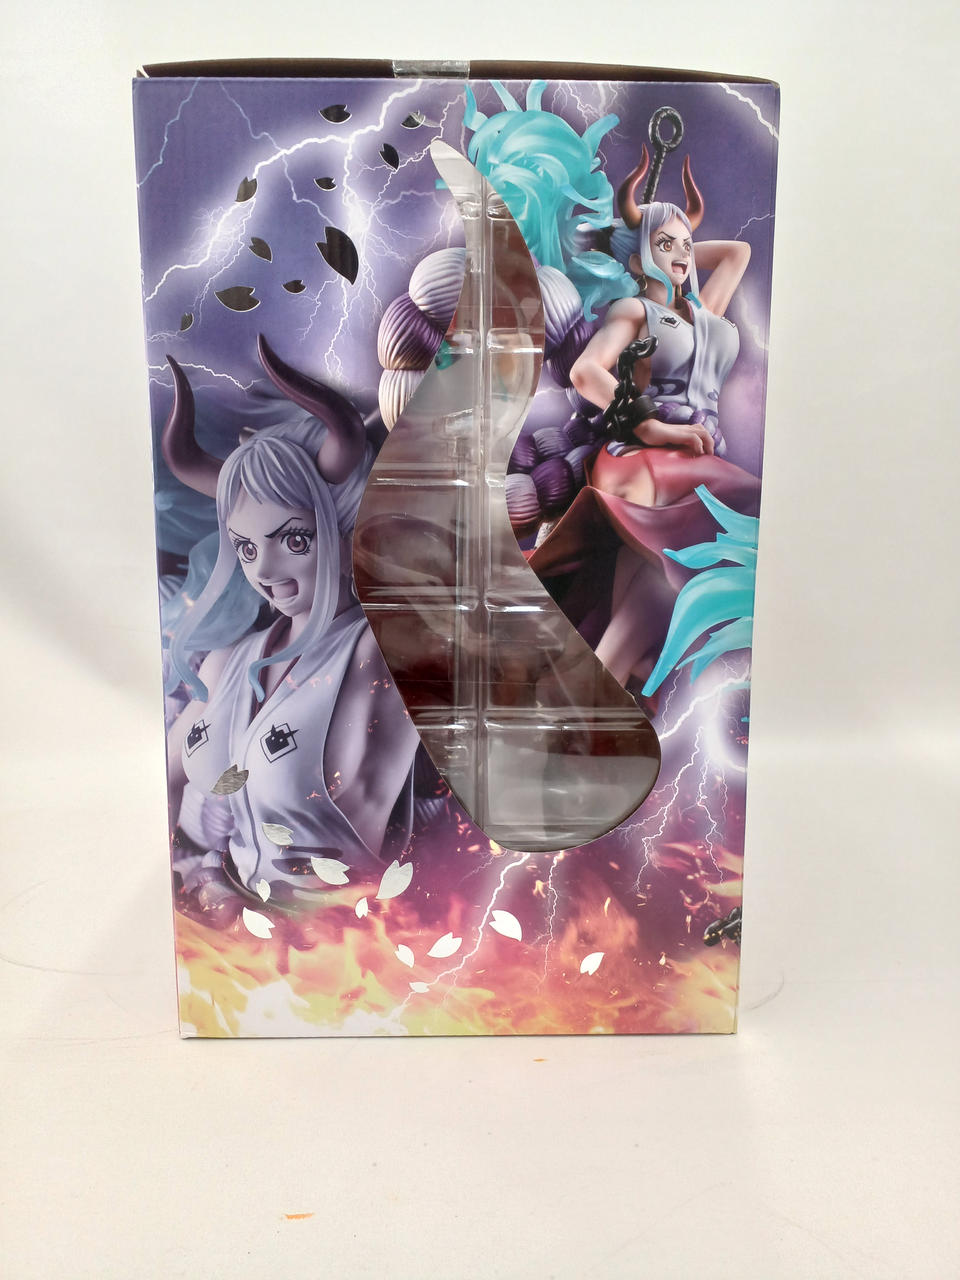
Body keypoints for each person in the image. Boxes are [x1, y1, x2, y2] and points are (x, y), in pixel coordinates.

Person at [163, 338, 419, 911]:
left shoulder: (380, 651)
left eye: (294, 540)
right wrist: (172, 876)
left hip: (347, 944)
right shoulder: (228, 661)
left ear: (348, 531)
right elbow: (167, 772)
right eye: (246, 547)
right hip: (230, 935)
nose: (264, 571)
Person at [527, 153, 762, 692]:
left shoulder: (704, 314)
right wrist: (653, 428)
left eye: (686, 246)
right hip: (644, 456)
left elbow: (738, 252)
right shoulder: (634, 312)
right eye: (666, 245)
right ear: (637, 259)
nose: (681, 255)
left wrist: (667, 239)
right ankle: (601, 678)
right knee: (706, 539)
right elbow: (586, 372)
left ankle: (591, 677)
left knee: (665, 567)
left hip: (692, 460)